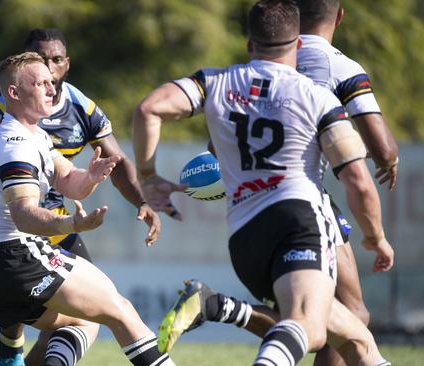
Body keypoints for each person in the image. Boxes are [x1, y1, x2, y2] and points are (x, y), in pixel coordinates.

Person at [132, 1, 394, 365]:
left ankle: (216, 304)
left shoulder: (214, 82)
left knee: (356, 338)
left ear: (250, 44)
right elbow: (358, 180)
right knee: (311, 330)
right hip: (298, 221)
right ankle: (217, 306)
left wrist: (147, 176)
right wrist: (376, 236)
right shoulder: (316, 98)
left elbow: (150, 109)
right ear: (297, 45)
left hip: (245, 236)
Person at [0, 29, 160, 366]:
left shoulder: (40, 132)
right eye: (40, 79)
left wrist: (90, 177)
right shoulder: (15, 142)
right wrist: (72, 222)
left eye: (52, 74)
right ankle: (9, 346)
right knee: (121, 311)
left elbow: (69, 181)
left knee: (82, 322)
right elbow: (24, 213)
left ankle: (15, 350)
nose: (50, 85)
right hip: (18, 252)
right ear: (14, 92)